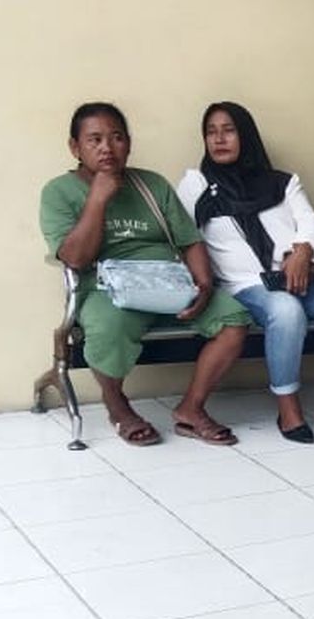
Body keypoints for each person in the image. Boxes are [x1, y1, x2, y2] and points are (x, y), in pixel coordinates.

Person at [40, 102, 250, 446]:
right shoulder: (58, 192)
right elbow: (75, 259)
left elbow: (189, 241)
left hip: (167, 283)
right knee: (108, 329)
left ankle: (191, 408)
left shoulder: (151, 183)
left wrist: (204, 284)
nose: (107, 147)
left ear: (128, 143)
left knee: (233, 318)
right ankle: (117, 405)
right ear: (75, 148)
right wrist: (97, 199)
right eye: (95, 140)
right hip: (106, 291)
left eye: (116, 137)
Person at [177, 101, 314, 443]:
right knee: (286, 310)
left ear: (246, 135)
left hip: (297, 276)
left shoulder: (282, 182)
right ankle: (288, 408)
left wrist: (303, 250)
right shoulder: (196, 185)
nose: (219, 139)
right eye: (211, 132)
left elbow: (309, 220)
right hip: (245, 285)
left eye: (228, 131)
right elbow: (183, 237)